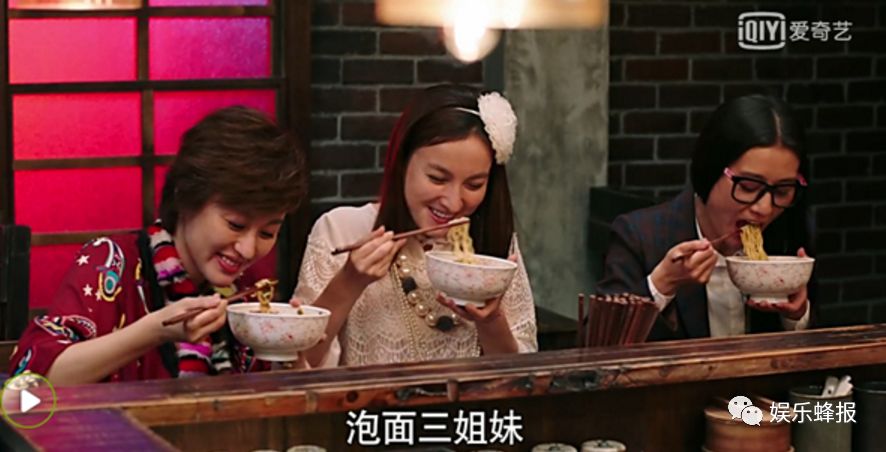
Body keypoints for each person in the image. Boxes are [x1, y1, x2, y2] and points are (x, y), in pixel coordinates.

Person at [8, 106, 307, 384]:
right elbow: (30, 383)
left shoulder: (245, 291)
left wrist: (289, 355)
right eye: (236, 225)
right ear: (186, 197)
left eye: (267, 233)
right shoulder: (111, 263)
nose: (248, 250)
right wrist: (155, 331)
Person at [294, 84, 537, 367]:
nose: (453, 202)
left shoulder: (494, 248)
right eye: (437, 178)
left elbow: (523, 376)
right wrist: (349, 281)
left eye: (474, 185)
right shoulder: (342, 229)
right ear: (402, 164)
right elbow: (299, 364)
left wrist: (491, 320)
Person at [597, 94, 813, 340]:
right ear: (709, 172)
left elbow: (818, 343)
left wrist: (797, 316)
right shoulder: (640, 236)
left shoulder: (788, 236)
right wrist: (663, 283)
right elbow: (601, 345)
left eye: (782, 191)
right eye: (749, 187)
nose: (764, 208)